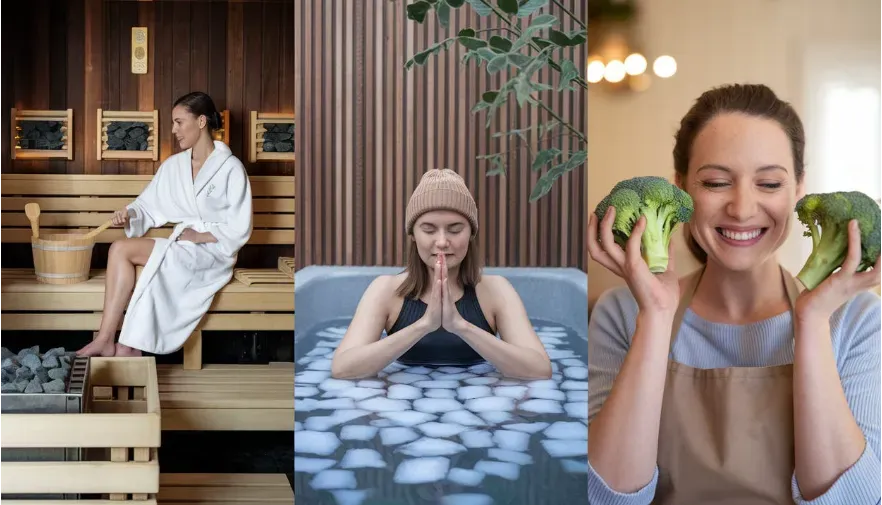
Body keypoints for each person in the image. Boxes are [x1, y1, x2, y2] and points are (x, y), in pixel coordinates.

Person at [587, 84, 882, 504]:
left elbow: (855, 501)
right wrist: (655, 317)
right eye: (717, 182)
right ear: (681, 188)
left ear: (798, 189)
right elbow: (603, 497)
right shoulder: (621, 313)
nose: (742, 209)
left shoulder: (857, 321)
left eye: (768, 183)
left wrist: (812, 323)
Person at [330, 168, 552, 380]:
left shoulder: (495, 290)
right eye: (428, 230)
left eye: (455, 229)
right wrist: (424, 325)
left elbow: (539, 369)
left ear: (471, 234)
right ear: (413, 235)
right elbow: (342, 368)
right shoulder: (387, 290)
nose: (443, 242)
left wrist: (460, 326)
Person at [77, 91, 253, 357]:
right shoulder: (175, 166)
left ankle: (125, 344)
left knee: (127, 253)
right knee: (119, 249)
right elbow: (148, 204)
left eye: (179, 122)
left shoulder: (230, 168)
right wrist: (130, 214)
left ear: (202, 121)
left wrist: (201, 236)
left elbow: (240, 226)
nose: (174, 130)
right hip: (182, 245)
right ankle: (109, 339)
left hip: (214, 252)